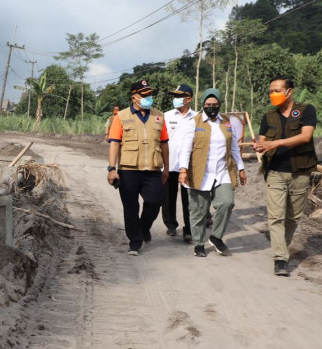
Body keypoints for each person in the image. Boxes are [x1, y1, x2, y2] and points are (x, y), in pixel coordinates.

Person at [253, 77, 318, 276]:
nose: (274, 94)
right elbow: (263, 142)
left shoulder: (306, 110)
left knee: (293, 216)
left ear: (289, 91)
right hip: (275, 171)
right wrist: (259, 146)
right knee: (275, 216)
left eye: (277, 90)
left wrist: (276, 143)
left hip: (300, 171)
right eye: (271, 90)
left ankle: (282, 245)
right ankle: (280, 258)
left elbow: (306, 136)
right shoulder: (268, 116)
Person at [177, 88, 247, 258]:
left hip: (222, 172)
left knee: (227, 203)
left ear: (220, 105)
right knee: (199, 211)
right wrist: (183, 170)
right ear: (203, 105)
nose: (211, 107)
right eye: (208, 104)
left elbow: (235, 147)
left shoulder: (227, 122)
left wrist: (241, 167)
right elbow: (185, 150)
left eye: (215, 105)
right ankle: (199, 243)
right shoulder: (194, 122)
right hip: (200, 173)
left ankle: (216, 237)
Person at [106, 80, 170, 255]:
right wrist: (112, 169)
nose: (148, 97)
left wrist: (166, 168)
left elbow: (164, 144)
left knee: (155, 202)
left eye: (150, 94)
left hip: (153, 170)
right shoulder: (121, 117)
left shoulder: (159, 116)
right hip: (128, 170)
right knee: (131, 207)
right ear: (134, 97)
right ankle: (135, 241)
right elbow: (114, 144)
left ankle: (143, 228)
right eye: (144, 94)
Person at [162, 84, 196, 242]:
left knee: (189, 199)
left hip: (189, 166)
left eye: (179, 96)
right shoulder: (167, 116)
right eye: (174, 96)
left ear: (188, 99)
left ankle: (188, 229)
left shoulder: (197, 117)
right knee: (168, 197)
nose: (176, 99)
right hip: (170, 163)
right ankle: (170, 224)